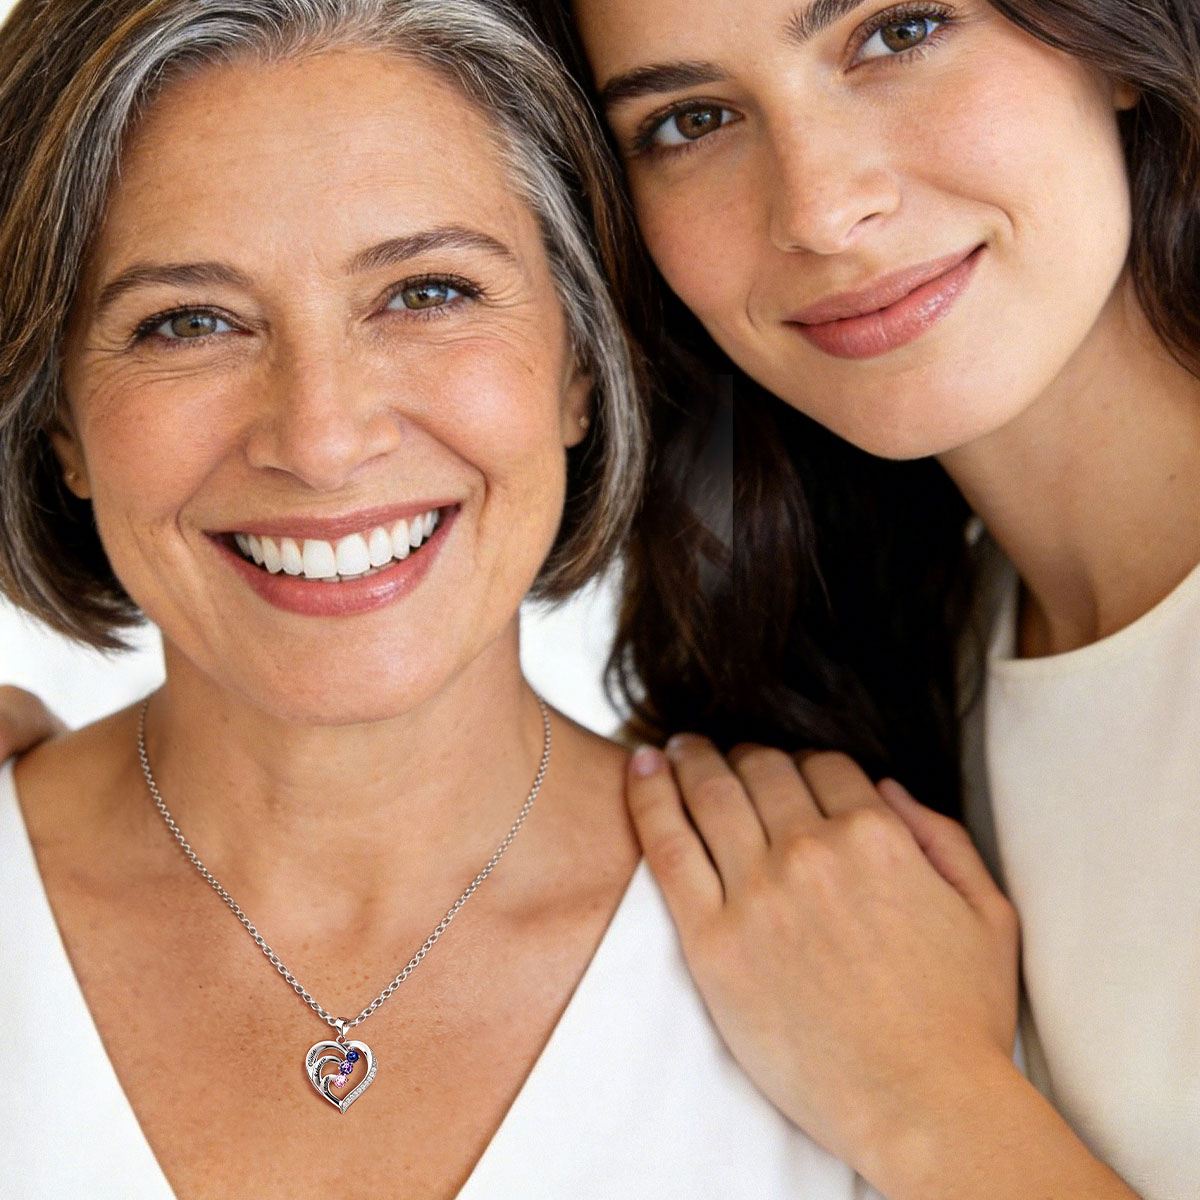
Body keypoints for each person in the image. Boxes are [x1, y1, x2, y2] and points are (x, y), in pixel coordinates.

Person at [0, 0, 909, 1195]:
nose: (322, 440)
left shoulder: (874, 959)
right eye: (189, 321)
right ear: (58, 417)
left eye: (427, 293)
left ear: (584, 364)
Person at [498, 1, 1193, 1198]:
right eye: (691, 120)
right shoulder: (882, 664)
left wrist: (931, 1105)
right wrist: (71, 812)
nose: (820, 210)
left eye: (899, 31)